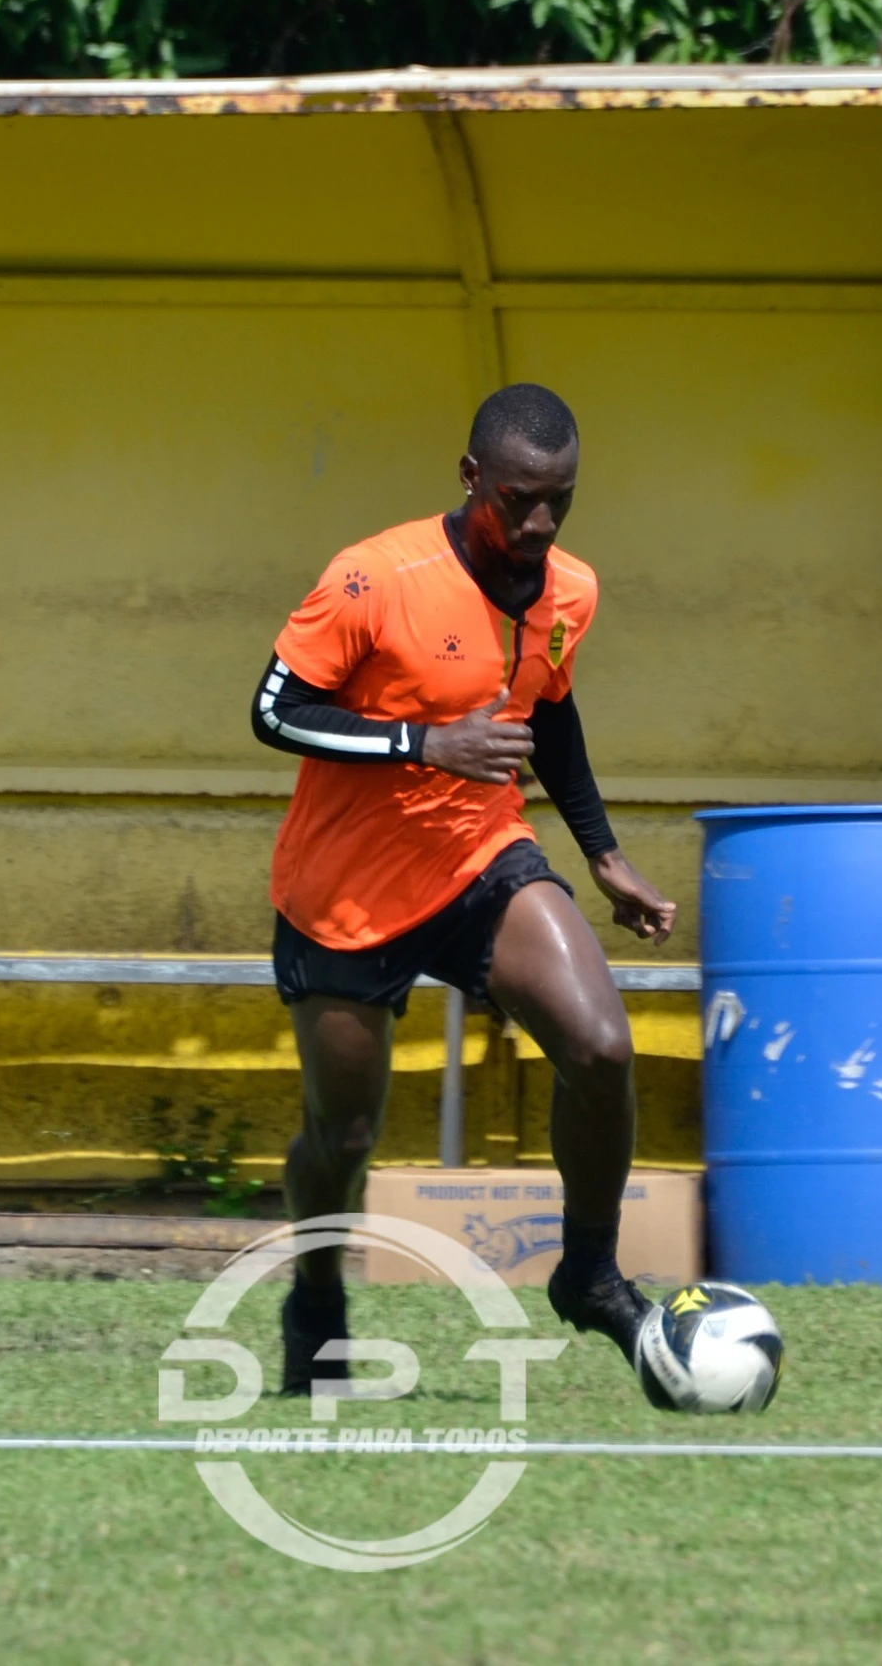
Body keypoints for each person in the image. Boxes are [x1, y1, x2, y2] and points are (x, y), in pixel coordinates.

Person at [250, 381, 677, 1393]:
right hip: (343, 892)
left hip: (480, 858)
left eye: (558, 501)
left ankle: (587, 1274)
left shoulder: (570, 590)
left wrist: (602, 854)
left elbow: (550, 712)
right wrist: (425, 741)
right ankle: (315, 1295)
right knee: (341, 1133)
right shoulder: (373, 578)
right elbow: (273, 710)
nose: (536, 524)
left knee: (601, 1046)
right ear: (470, 476)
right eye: (517, 499)